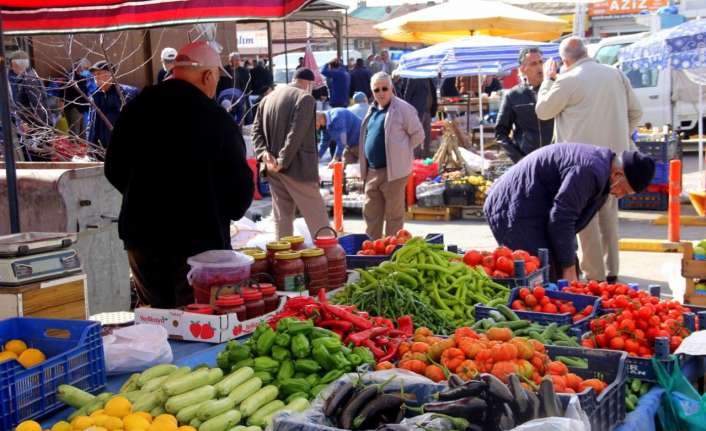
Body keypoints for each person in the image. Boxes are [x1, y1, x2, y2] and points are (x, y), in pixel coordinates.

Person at [104, 41, 253, 308]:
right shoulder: (216, 118)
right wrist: (222, 211)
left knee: (157, 318)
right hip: (199, 242)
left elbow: (113, 167)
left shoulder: (137, 108)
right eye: (217, 78)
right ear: (208, 76)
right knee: (196, 319)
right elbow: (240, 189)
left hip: (142, 235)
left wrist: (141, 197)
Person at [535, 37, 643, 282]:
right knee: (608, 216)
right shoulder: (615, 74)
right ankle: (612, 271)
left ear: (565, 61)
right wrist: (619, 135)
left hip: (582, 163)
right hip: (616, 160)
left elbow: (543, 111)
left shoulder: (567, 80)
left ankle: (596, 278)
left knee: (587, 220)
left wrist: (547, 80)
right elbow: (636, 112)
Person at [483, 143, 655, 281]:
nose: (620, 196)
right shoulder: (589, 170)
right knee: (535, 275)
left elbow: (569, 223)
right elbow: (562, 218)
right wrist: (568, 267)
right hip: (512, 208)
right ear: (618, 174)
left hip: (535, 208)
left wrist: (569, 263)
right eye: (624, 191)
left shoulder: (603, 174)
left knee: (556, 273)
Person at [252, 68, 330, 238]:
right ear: (308, 84)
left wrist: (263, 153)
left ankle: (283, 259)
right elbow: (296, 133)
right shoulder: (305, 98)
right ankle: (331, 259)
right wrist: (282, 160)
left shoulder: (267, 99)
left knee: (282, 219)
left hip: (271, 167)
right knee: (318, 218)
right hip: (296, 167)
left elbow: (255, 131)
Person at [359, 72, 424, 239]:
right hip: (372, 171)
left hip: (394, 172)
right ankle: (372, 249)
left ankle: (391, 251)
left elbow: (418, 135)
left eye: (384, 88)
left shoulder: (403, 109)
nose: (381, 93)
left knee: (393, 216)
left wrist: (401, 153)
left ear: (391, 88)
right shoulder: (372, 109)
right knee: (371, 213)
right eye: (376, 90)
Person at [495, 47, 554, 163]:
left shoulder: (556, 89)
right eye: (533, 64)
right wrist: (519, 158)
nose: (539, 67)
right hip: (528, 159)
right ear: (523, 69)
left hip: (556, 156)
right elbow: (500, 133)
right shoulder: (513, 95)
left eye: (541, 62)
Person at [87, 61, 138, 156]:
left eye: (98, 74)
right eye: (94, 75)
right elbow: (91, 125)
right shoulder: (95, 97)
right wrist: (90, 150)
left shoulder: (127, 94)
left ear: (109, 75)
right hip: (101, 151)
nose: (95, 77)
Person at [8, 50, 51, 161]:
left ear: (18, 65)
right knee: (36, 157)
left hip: (35, 130)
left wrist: (34, 126)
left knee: (39, 159)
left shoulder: (29, 80)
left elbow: (38, 106)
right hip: (34, 128)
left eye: (13, 66)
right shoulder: (29, 77)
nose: (12, 69)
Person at [401, 78, 437, 158]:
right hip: (417, 112)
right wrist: (408, 112)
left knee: (427, 137)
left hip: (428, 111)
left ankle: (425, 157)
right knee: (417, 137)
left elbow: (433, 93)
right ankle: (416, 159)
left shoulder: (430, 78)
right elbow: (407, 96)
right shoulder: (413, 78)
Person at [64, 59, 91, 140]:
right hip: (74, 107)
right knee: (75, 133)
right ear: (79, 67)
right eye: (85, 68)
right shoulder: (70, 78)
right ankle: (74, 151)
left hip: (82, 108)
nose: (86, 70)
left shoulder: (82, 77)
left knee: (83, 133)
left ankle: (83, 151)